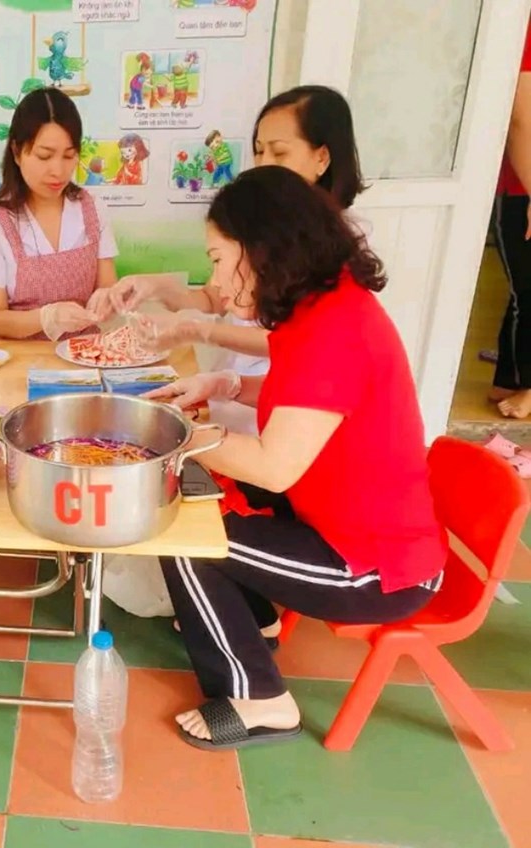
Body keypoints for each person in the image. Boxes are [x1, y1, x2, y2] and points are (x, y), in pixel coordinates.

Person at [143, 166, 446, 751]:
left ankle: (261, 699)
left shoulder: (335, 329)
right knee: (201, 492)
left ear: (261, 249)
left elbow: (272, 465)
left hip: (375, 569)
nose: (217, 282)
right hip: (344, 523)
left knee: (186, 534)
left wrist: (179, 435)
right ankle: (255, 617)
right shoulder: (324, 305)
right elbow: (303, 397)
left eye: (217, 260)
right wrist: (226, 386)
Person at [106, 85, 368, 433]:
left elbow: (298, 344)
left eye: (279, 152)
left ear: (322, 158)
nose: (264, 164)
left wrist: (199, 331)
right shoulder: (262, 222)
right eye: (259, 151)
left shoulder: (336, 246)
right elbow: (214, 297)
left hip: (278, 412)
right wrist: (156, 287)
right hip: (239, 393)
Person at [0, 87, 118, 340]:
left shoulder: (92, 209)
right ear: (17, 152)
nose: (58, 170)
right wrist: (47, 318)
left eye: (69, 156)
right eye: (44, 156)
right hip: (20, 359)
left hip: (86, 353)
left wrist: (108, 299)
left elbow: (108, 287)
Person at [490, 22, 531, 419]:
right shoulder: (521, 25)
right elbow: (520, 119)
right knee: (527, 291)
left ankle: (512, 378)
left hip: (522, 188)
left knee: (523, 292)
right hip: (522, 187)